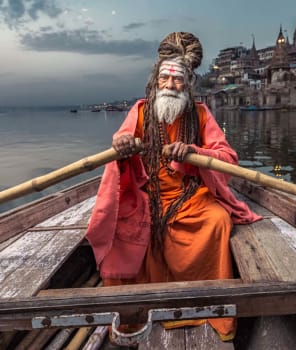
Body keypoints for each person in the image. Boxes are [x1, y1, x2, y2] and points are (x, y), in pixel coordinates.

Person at [85, 32, 261, 342]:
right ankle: (133, 310)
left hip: (189, 196)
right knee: (120, 225)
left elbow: (228, 159)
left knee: (217, 221)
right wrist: (122, 143)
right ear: (155, 79)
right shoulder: (140, 111)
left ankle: (205, 308)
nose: (170, 85)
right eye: (164, 78)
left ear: (188, 82)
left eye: (177, 80)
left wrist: (196, 153)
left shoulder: (201, 114)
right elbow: (119, 144)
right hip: (145, 195)